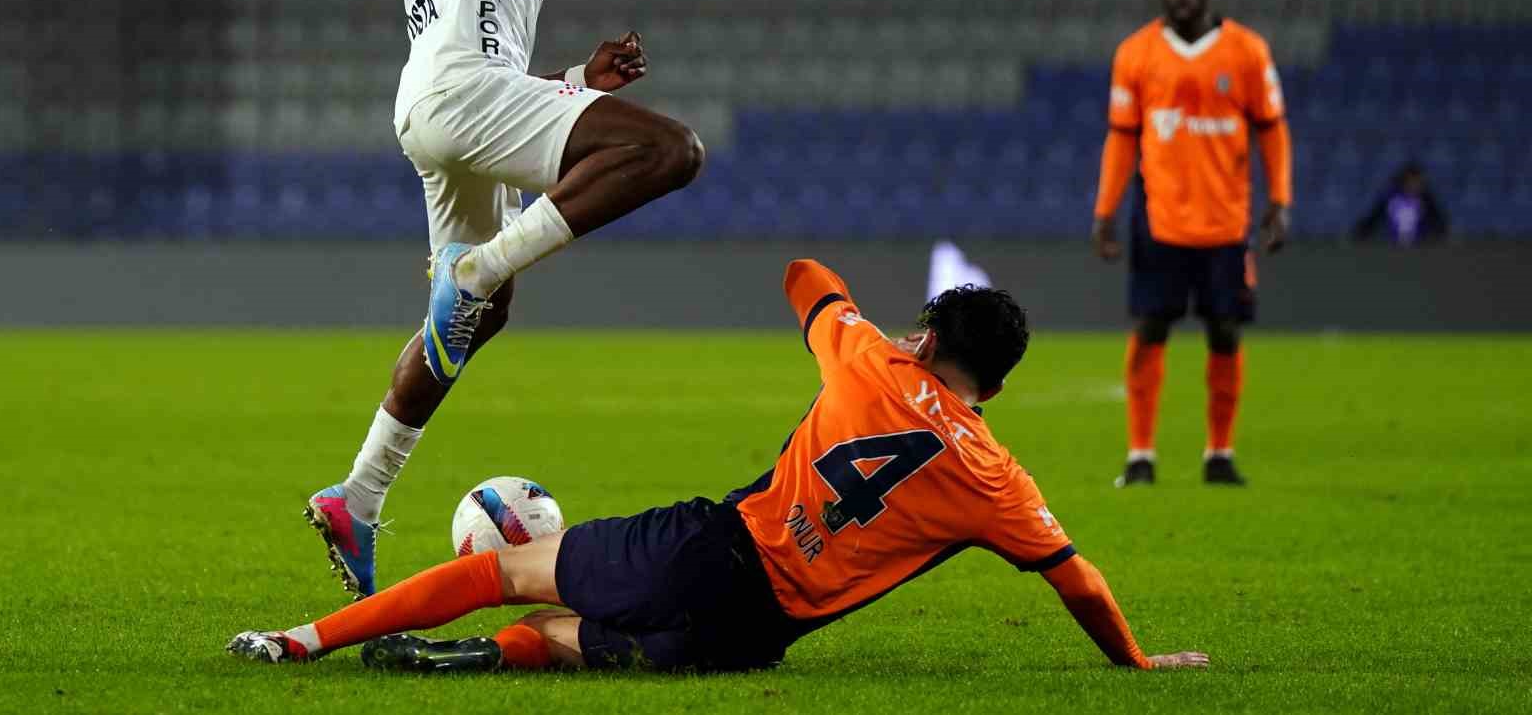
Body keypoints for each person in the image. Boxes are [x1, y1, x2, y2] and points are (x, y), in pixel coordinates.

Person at [230, 260, 1209, 674]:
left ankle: (302, 639)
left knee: (504, 572)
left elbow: (805, 276)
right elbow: (1073, 575)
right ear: (994, 380)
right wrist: (1131, 660)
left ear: (926, 336)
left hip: (712, 548)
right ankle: (481, 661)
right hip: (758, 635)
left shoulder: (871, 358)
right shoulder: (1000, 480)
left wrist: (865, 325)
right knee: (566, 632)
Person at [307, 0, 705, 600]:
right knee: (671, 151)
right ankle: (476, 269)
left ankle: (357, 498)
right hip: (457, 97)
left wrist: (573, 85)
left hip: (445, 107)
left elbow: (479, 37)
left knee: (479, 322)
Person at [1090, 0, 1292, 488]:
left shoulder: (1247, 51)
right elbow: (1121, 137)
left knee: (1225, 332)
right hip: (1159, 219)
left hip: (1226, 222)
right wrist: (1105, 211)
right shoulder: (1135, 54)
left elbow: (1272, 129)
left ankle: (1219, 453)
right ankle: (1140, 456)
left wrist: (1280, 200)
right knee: (1151, 327)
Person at [1353, 162, 1448, 245]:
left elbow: (1439, 223)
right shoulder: (1390, 198)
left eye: (1418, 182)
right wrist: (1362, 232)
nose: (1414, 185)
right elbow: (1373, 218)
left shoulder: (1426, 200)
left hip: (1419, 248)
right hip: (1393, 247)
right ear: (1404, 181)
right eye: (1411, 181)